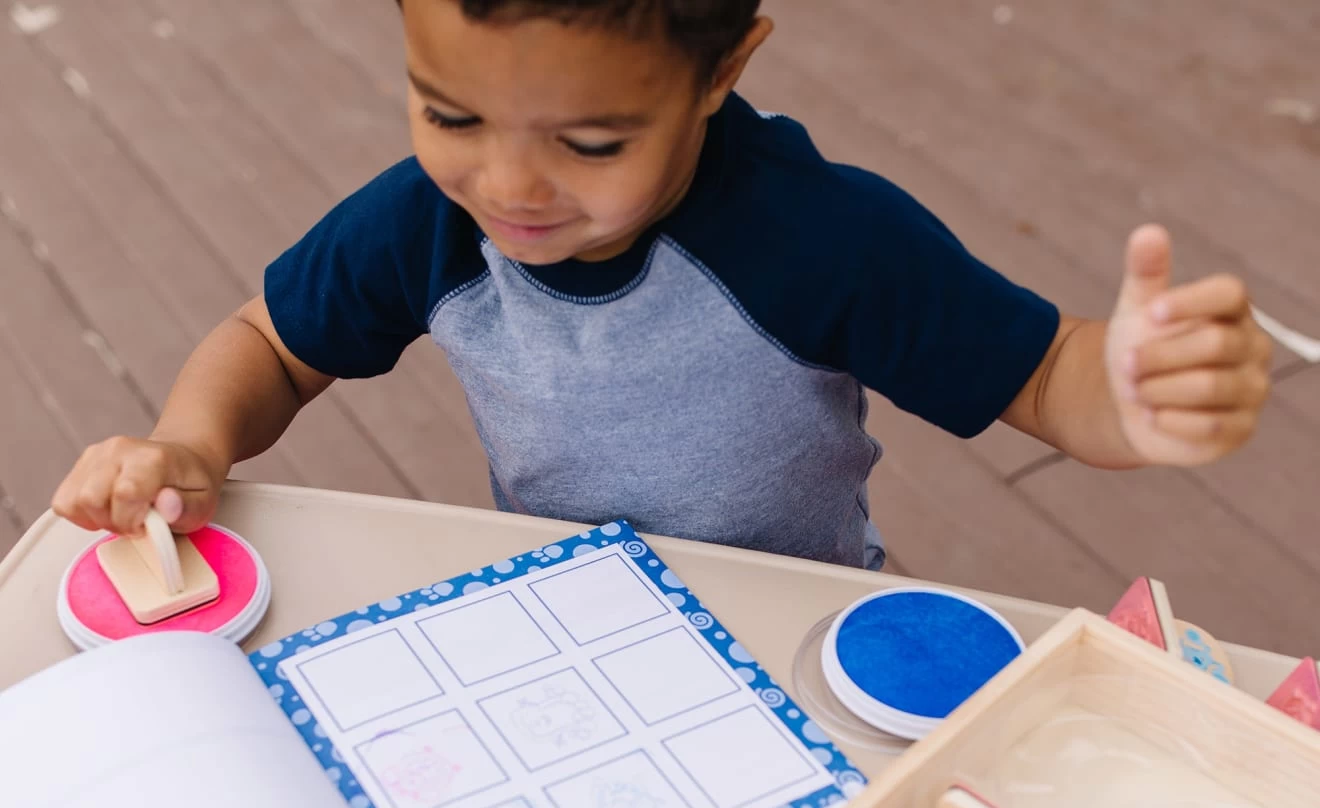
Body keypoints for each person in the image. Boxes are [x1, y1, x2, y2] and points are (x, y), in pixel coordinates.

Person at [52, 0, 1272, 570]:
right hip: (569, 604)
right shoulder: (430, 216)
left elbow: (1051, 376)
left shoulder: (821, 237)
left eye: (591, 145)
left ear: (723, 67)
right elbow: (269, 341)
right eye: (450, 111)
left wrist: (1132, 391)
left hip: (789, 611)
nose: (508, 184)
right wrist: (187, 443)